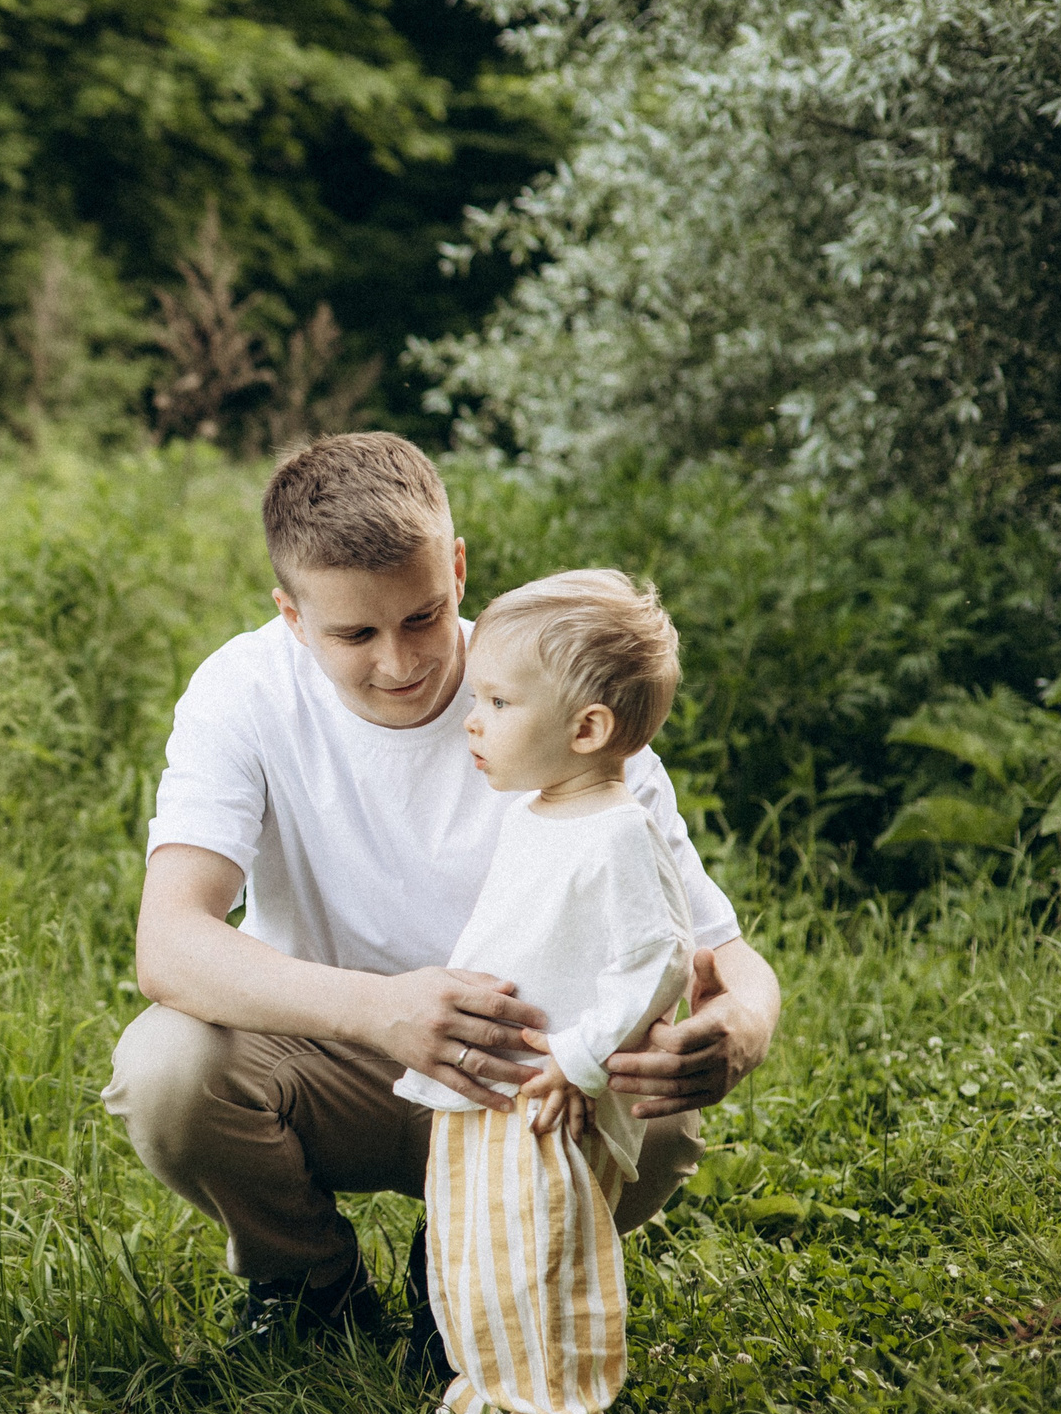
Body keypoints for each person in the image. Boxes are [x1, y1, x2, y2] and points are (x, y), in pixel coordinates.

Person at [102, 432, 780, 1366]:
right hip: (328, 1054)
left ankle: (463, 1274)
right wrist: (381, 1008)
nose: (401, 661)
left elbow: (713, 945)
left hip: (523, 1074)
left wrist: (747, 1020)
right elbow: (170, 943)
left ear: (456, 568)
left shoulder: (553, 686)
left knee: (657, 1116)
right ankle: (309, 1284)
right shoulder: (241, 693)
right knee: (164, 1068)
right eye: (355, 635)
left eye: (424, 616)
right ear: (293, 616)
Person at [401, 569, 697, 1414]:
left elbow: (660, 960)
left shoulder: (615, 832)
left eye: (497, 702)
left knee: (538, 1267)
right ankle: (488, 1398)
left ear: (588, 729)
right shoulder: (540, 814)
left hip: (544, 1098)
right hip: (491, 1087)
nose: (472, 721)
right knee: (470, 1255)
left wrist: (578, 1058)